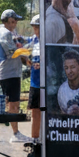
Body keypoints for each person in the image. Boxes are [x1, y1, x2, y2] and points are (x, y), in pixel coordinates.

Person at [0, 9, 31, 145]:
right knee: (10, 104)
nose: (15, 24)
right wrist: (29, 52)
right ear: (6, 21)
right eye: (13, 21)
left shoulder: (2, 31)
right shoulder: (4, 32)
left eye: (16, 21)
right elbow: (12, 52)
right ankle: (13, 133)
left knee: (5, 103)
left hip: (8, 72)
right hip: (8, 73)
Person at [27, 15, 43, 147]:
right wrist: (26, 60)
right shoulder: (32, 41)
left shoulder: (50, 41)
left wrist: (42, 64)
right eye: (34, 27)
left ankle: (47, 137)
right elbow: (24, 53)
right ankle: (35, 140)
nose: (36, 31)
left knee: (48, 113)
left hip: (47, 83)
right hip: (35, 82)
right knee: (35, 112)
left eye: (38, 27)